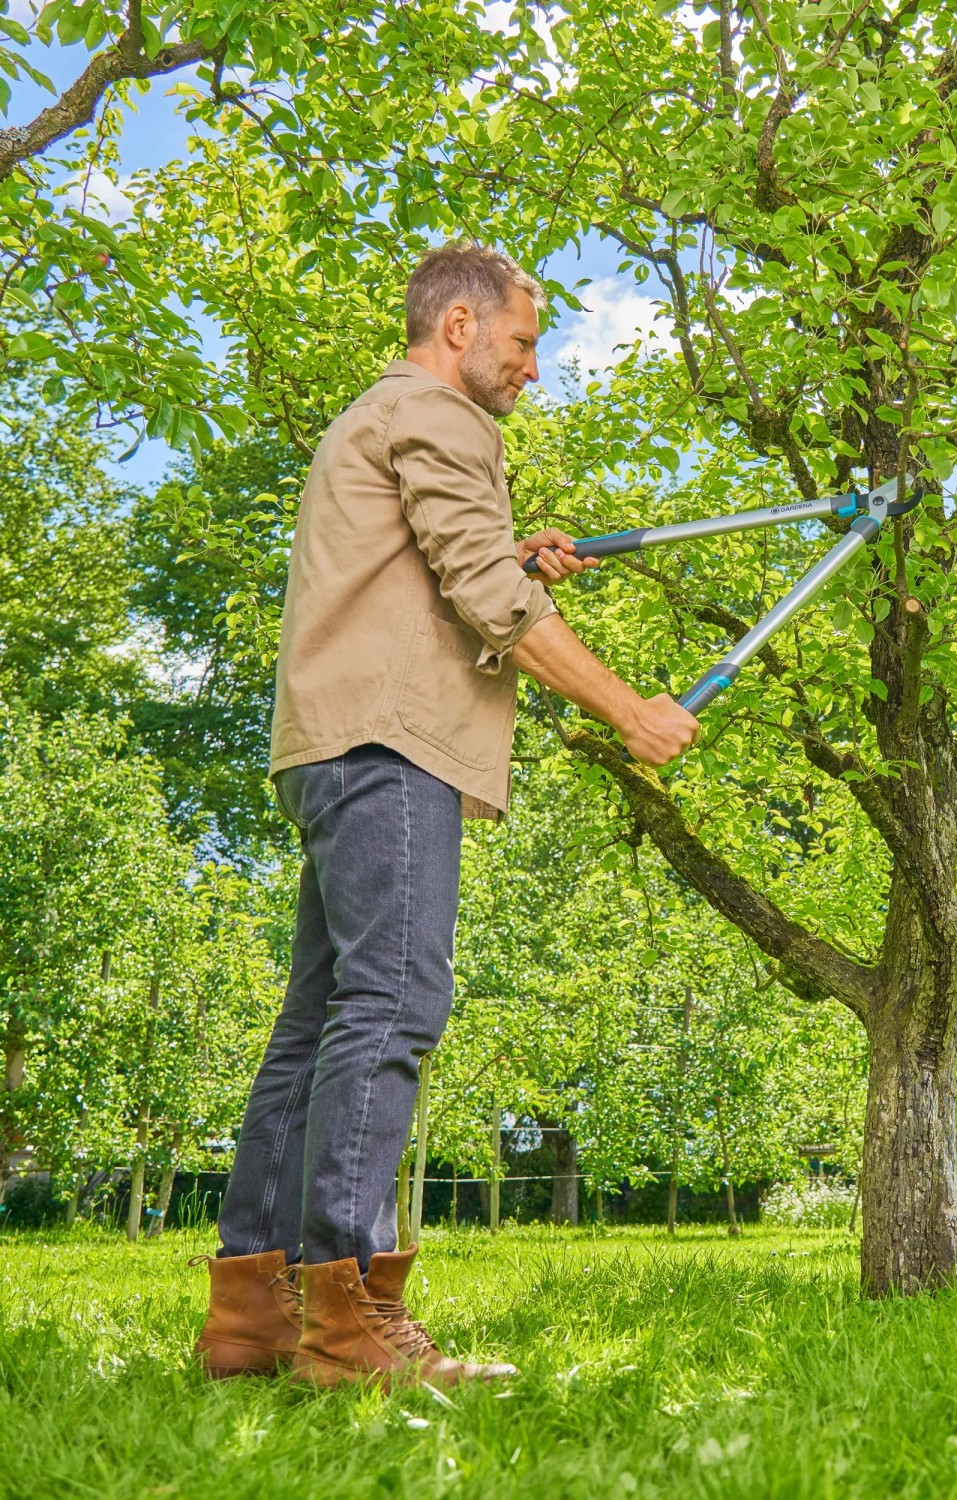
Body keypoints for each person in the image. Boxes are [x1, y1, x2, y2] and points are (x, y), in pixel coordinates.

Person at [192, 243, 699, 1389]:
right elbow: (483, 589)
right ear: (460, 329)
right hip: (388, 746)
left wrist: (512, 552)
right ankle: (351, 1312)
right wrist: (629, 710)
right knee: (396, 1002)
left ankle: (253, 1312)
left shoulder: (377, 419)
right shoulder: (441, 415)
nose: (533, 370)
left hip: (328, 744)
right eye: (524, 344)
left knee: (318, 1019)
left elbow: (438, 568)